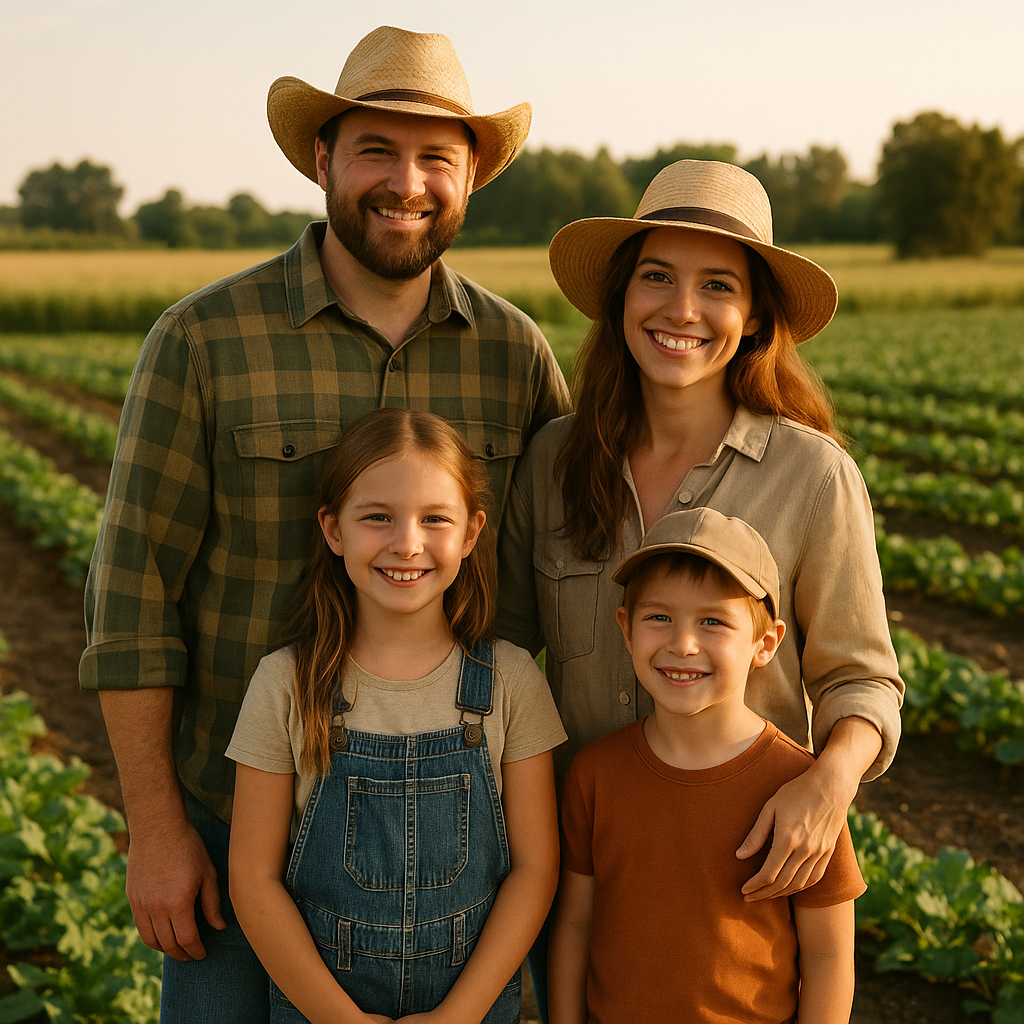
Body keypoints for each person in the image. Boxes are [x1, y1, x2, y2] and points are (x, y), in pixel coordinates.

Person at [79, 25, 568, 1023]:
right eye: (375, 150)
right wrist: (158, 828)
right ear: (322, 160)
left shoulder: (512, 354)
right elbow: (131, 597)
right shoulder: (205, 338)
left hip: (458, 840)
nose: (407, 182)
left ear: (471, 176)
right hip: (228, 826)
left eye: (438, 156)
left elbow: (570, 562)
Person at [496, 159, 902, 1014]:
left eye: (717, 285)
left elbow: (861, 677)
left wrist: (827, 786)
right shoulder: (553, 462)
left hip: (741, 875)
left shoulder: (812, 474)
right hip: (586, 870)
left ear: (754, 318)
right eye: (657, 278)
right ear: (620, 298)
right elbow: (502, 650)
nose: (682, 310)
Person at [227, 408, 564, 1023]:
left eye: (435, 519)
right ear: (332, 530)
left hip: (473, 1010)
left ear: (470, 532)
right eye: (376, 517)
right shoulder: (286, 683)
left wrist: (456, 1016)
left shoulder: (511, 681)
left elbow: (535, 870)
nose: (406, 543)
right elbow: (253, 880)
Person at [548, 507, 865, 1024]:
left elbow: (829, 957)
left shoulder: (799, 787)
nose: (682, 643)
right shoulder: (596, 772)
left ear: (765, 644)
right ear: (626, 629)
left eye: (713, 621)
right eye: (659, 617)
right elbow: (576, 925)